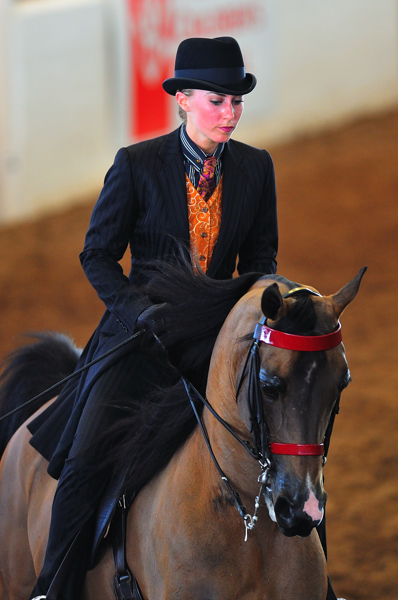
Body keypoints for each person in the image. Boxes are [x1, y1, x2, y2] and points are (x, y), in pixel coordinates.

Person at [27, 35, 334, 600]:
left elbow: (260, 261)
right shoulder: (136, 166)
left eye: (236, 101)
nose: (230, 113)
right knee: (87, 462)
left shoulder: (255, 168)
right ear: (183, 100)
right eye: (217, 101)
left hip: (217, 344)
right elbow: (96, 256)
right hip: (137, 342)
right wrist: (138, 310)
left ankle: (317, 579)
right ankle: (54, 586)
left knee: (292, 442)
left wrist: (253, 316)